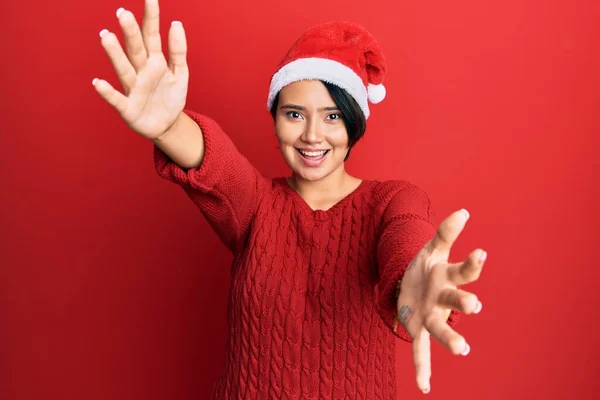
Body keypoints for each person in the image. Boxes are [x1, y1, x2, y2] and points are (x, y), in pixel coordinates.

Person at [92, 0, 486, 398]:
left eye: (333, 116)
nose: (312, 135)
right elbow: (215, 164)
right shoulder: (256, 203)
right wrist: (169, 126)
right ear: (275, 117)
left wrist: (414, 286)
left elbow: (408, 239)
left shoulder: (391, 202)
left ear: (355, 122)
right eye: (294, 114)